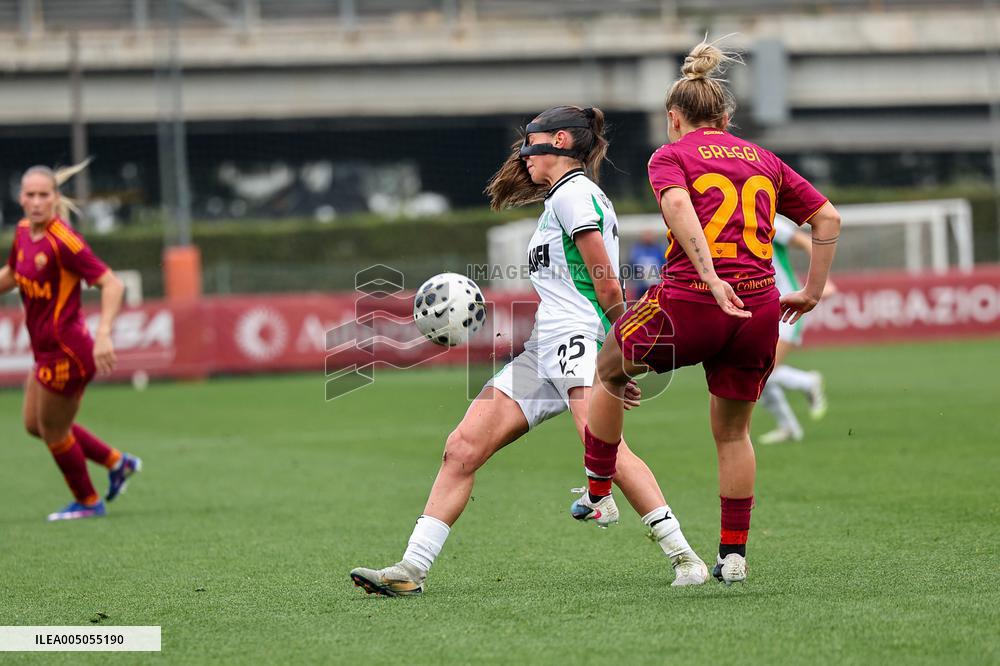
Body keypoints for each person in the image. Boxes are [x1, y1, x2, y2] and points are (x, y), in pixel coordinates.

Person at [350, 105, 708, 597]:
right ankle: (412, 568)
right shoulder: (561, 199)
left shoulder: (575, 195)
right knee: (462, 448)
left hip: (577, 340)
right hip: (545, 349)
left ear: (560, 141)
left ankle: (684, 557)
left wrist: (618, 355)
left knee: (606, 450)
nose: (522, 154)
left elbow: (605, 281)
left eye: (530, 142)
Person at [577, 39, 841, 586]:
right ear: (725, 117)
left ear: (674, 118)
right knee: (732, 434)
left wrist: (712, 278)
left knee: (606, 370)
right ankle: (734, 556)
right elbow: (828, 218)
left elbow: (677, 209)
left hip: (691, 301)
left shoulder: (670, 156)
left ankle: (599, 491)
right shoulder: (765, 160)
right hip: (761, 306)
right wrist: (812, 292)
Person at [0, 162, 141, 521]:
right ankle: (117, 462)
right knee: (36, 425)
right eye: (29, 195)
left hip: (68, 352)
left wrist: (104, 334)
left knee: (54, 432)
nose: (36, 202)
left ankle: (88, 501)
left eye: (43, 195)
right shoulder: (21, 233)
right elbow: (14, 274)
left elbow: (113, 284)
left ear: (55, 198)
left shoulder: (65, 242)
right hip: (45, 351)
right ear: (20, 198)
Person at [758, 217, 831, 444]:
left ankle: (807, 383)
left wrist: (820, 281)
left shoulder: (767, 220)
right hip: (762, 309)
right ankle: (788, 425)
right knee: (756, 374)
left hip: (787, 307)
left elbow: (807, 242)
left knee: (759, 372)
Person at [627, 229, 666, 301]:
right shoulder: (637, 250)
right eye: (646, 235)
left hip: (656, 284)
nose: (648, 238)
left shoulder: (659, 249)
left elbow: (664, 264)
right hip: (641, 285)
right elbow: (632, 265)